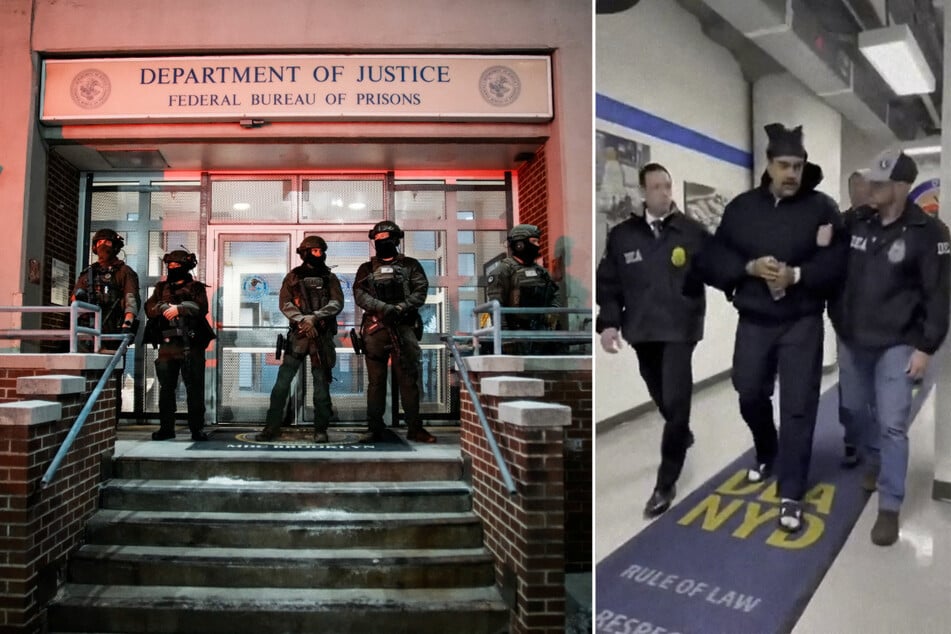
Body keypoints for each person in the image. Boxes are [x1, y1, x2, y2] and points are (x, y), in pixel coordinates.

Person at [694, 123, 847, 533]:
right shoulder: (742, 209)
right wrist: (747, 268)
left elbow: (837, 265)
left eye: (797, 165)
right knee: (748, 392)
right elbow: (711, 259)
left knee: (797, 406)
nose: (791, 173)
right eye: (784, 165)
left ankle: (792, 491)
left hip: (802, 322)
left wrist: (797, 275)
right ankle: (767, 449)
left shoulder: (823, 209)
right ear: (769, 165)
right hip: (755, 321)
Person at [829, 149, 950, 546]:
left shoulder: (930, 234)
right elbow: (826, 249)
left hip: (898, 343)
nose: (870, 188)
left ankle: (890, 505)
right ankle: (875, 457)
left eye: (879, 183)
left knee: (893, 423)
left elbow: (938, 296)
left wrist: (925, 348)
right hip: (852, 338)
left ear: (901, 187)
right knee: (852, 409)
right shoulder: (857, 221)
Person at [596, 162, 708, 517]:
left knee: (676, 401)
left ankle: (665, 483)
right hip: (642, 330)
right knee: (660, 393)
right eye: (656, 187)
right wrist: (609, 323)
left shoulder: (691, 231)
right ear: (643, 192)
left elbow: (720, 267)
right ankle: (681, 429)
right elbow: (609, 285)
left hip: (679, 328)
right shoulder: (622, 235)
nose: (664, 192)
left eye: (667, 186)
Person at [353, 220, 436, 444]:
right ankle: (374, 428)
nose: (381, 242)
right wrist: (384, 308)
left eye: (386, 238)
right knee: (376, 382)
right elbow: (360, 295)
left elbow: (420, 290)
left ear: (396, 239)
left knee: (409, 380)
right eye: (377, 239)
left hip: (404, 327)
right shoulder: (366, 268)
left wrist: (400, 308)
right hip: (376, 329)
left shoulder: (411, 265)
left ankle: (415, 428)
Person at [258, 236, 343, 443]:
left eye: (321, 251)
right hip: (299, 336)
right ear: (305, 253)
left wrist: (314, 317)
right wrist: (303, 320)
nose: (319, 254)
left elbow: (337, 303)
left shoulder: (330, 277)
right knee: (281, 385)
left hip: (321, 337)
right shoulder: (293, 277)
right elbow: (285, 303)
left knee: (322, 386)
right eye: (314, 251)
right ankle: (272, 427)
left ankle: (320, 429)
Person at [143, 250, 216, 441]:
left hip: (191, 345)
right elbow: (149, 308)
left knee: (194, 388)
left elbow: (202, 308)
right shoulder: (161, 288)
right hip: (168, 345)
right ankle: (167, 428)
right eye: (170, 266)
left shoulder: (196, 287)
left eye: (177, 266)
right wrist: (163, 307)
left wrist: (180, 309)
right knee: (166, 388)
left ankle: (196, 429)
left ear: (187, 267)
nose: (173, 269)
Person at [837, 170, 872, 468]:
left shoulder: (886, 224)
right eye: (859, 189)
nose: (865, 194)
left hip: (883, 325)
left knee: (878, 393)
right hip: (847, 324)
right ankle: (851, 437)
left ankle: (875, 453)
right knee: (851, 394)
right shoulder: (840, 225)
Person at [485, 224, 560, 353]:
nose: (537, 245)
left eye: (538, 241)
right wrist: (505, 337)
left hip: (541, 334)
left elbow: (555, 295)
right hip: (515, 334)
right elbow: (496, 306)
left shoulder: (541, 272)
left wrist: (552, 312)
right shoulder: (503, 271)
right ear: (520, 244)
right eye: (534, 241)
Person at [71, 228, 140, 351]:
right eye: (99, 242)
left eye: (107, 242)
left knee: (111, 366)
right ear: (94, 247)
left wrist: (127, 325)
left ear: (115, 247)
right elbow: (74, 300)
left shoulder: (124, 272)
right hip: (88, 330)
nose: (102, 245)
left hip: (113, 328)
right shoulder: (88, 273)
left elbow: (131, 300)